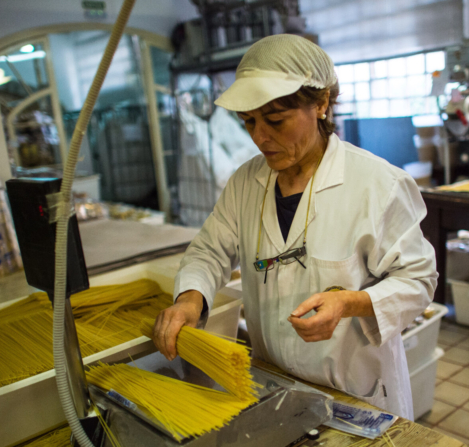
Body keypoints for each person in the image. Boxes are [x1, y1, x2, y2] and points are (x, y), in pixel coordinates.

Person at [153, 34, 437, 420]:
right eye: (248, 122)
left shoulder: (376, 185)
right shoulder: (245, 183)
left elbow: (419, 279)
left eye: (274, 120)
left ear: (320, 103)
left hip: (355, 391)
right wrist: (190, 299)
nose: (259, 137)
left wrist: (348, 303)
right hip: (275, 386)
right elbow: (210, 250)